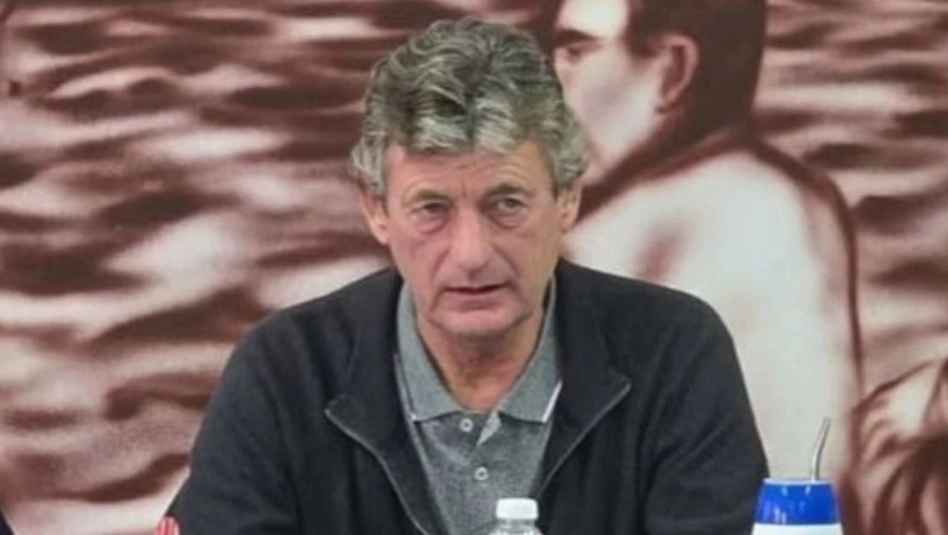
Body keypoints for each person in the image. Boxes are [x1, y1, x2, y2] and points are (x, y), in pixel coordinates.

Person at [165, 18, 766, 535]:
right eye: (432, 209)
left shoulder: (672, 352)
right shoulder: (286, 372)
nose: (472, 253)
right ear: (376, 210)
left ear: (567, 198)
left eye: (507, 204)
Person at [550, 0, 862, 477]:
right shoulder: (806, 203)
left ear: (672, 72)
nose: (548, 91)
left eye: (576, 52)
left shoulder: (634, 233)